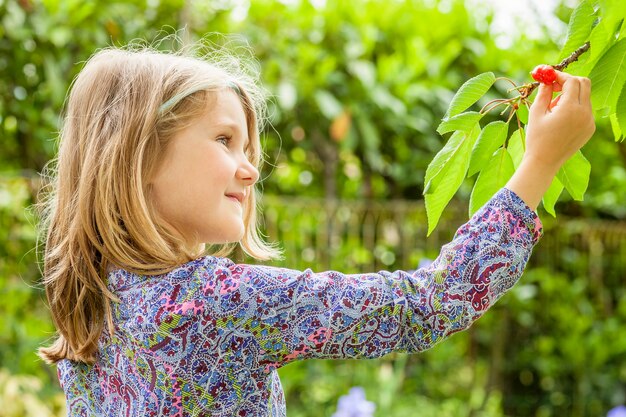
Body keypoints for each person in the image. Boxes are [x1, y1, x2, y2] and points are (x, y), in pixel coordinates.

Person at [37, 42, 595, 417]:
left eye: (249, 148)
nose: (251, 168)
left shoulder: (93, 313)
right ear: (140, 157)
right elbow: (430, 303)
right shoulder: (211, 302)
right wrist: (538, 165)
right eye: (224, 141)